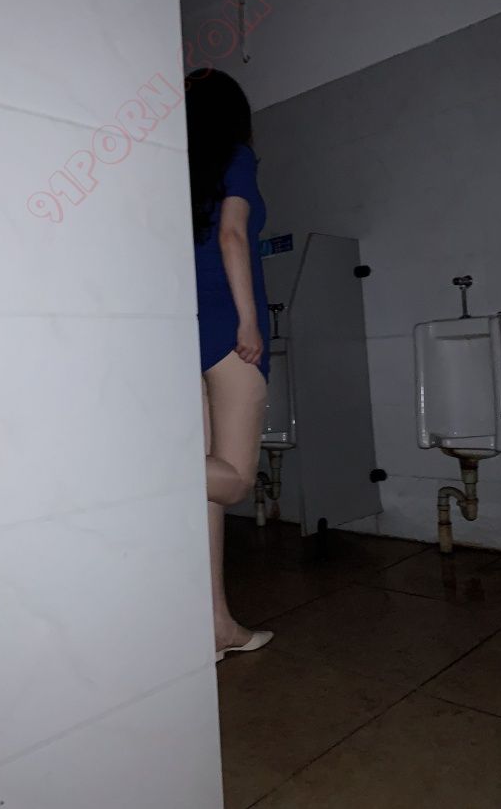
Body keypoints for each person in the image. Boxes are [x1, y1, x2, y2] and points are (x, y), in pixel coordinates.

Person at [185, 68, 274, 663]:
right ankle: (127, 472)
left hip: (184, 332)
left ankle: (217, 625)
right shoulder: (235, 157)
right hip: (226, 331)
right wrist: (248, 321)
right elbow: (233, 236)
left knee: (207, 489)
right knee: (236, 481)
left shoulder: (177, 169)